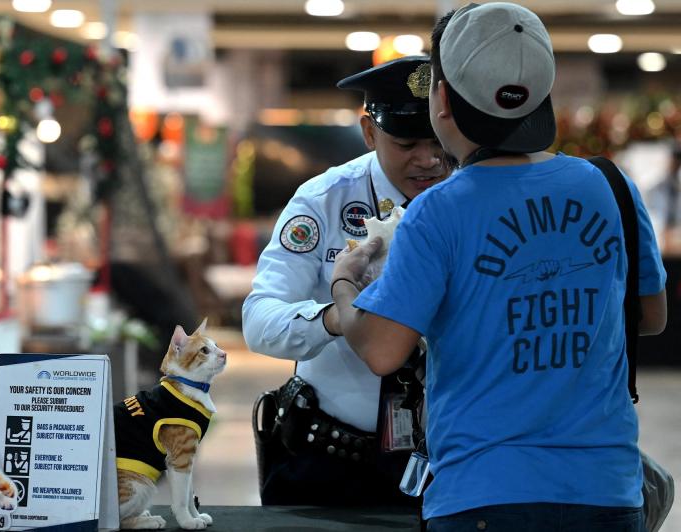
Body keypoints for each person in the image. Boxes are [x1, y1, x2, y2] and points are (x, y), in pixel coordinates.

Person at [331, 3, 667, 531]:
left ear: (441, 99)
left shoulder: (437, 211)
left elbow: (381, 349)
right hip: (606, 491)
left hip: (482, 497)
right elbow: (651, 314)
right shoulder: (610, 184)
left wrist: (345, 283)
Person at [242, 55, 451, 507]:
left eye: (439, 141)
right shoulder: (325, 201)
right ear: (370, 132)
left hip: (447, 463)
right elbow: (259, 319)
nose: (429, 159)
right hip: (331, 464)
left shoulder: (469, 199)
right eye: (407, 142)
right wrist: (337, 318)